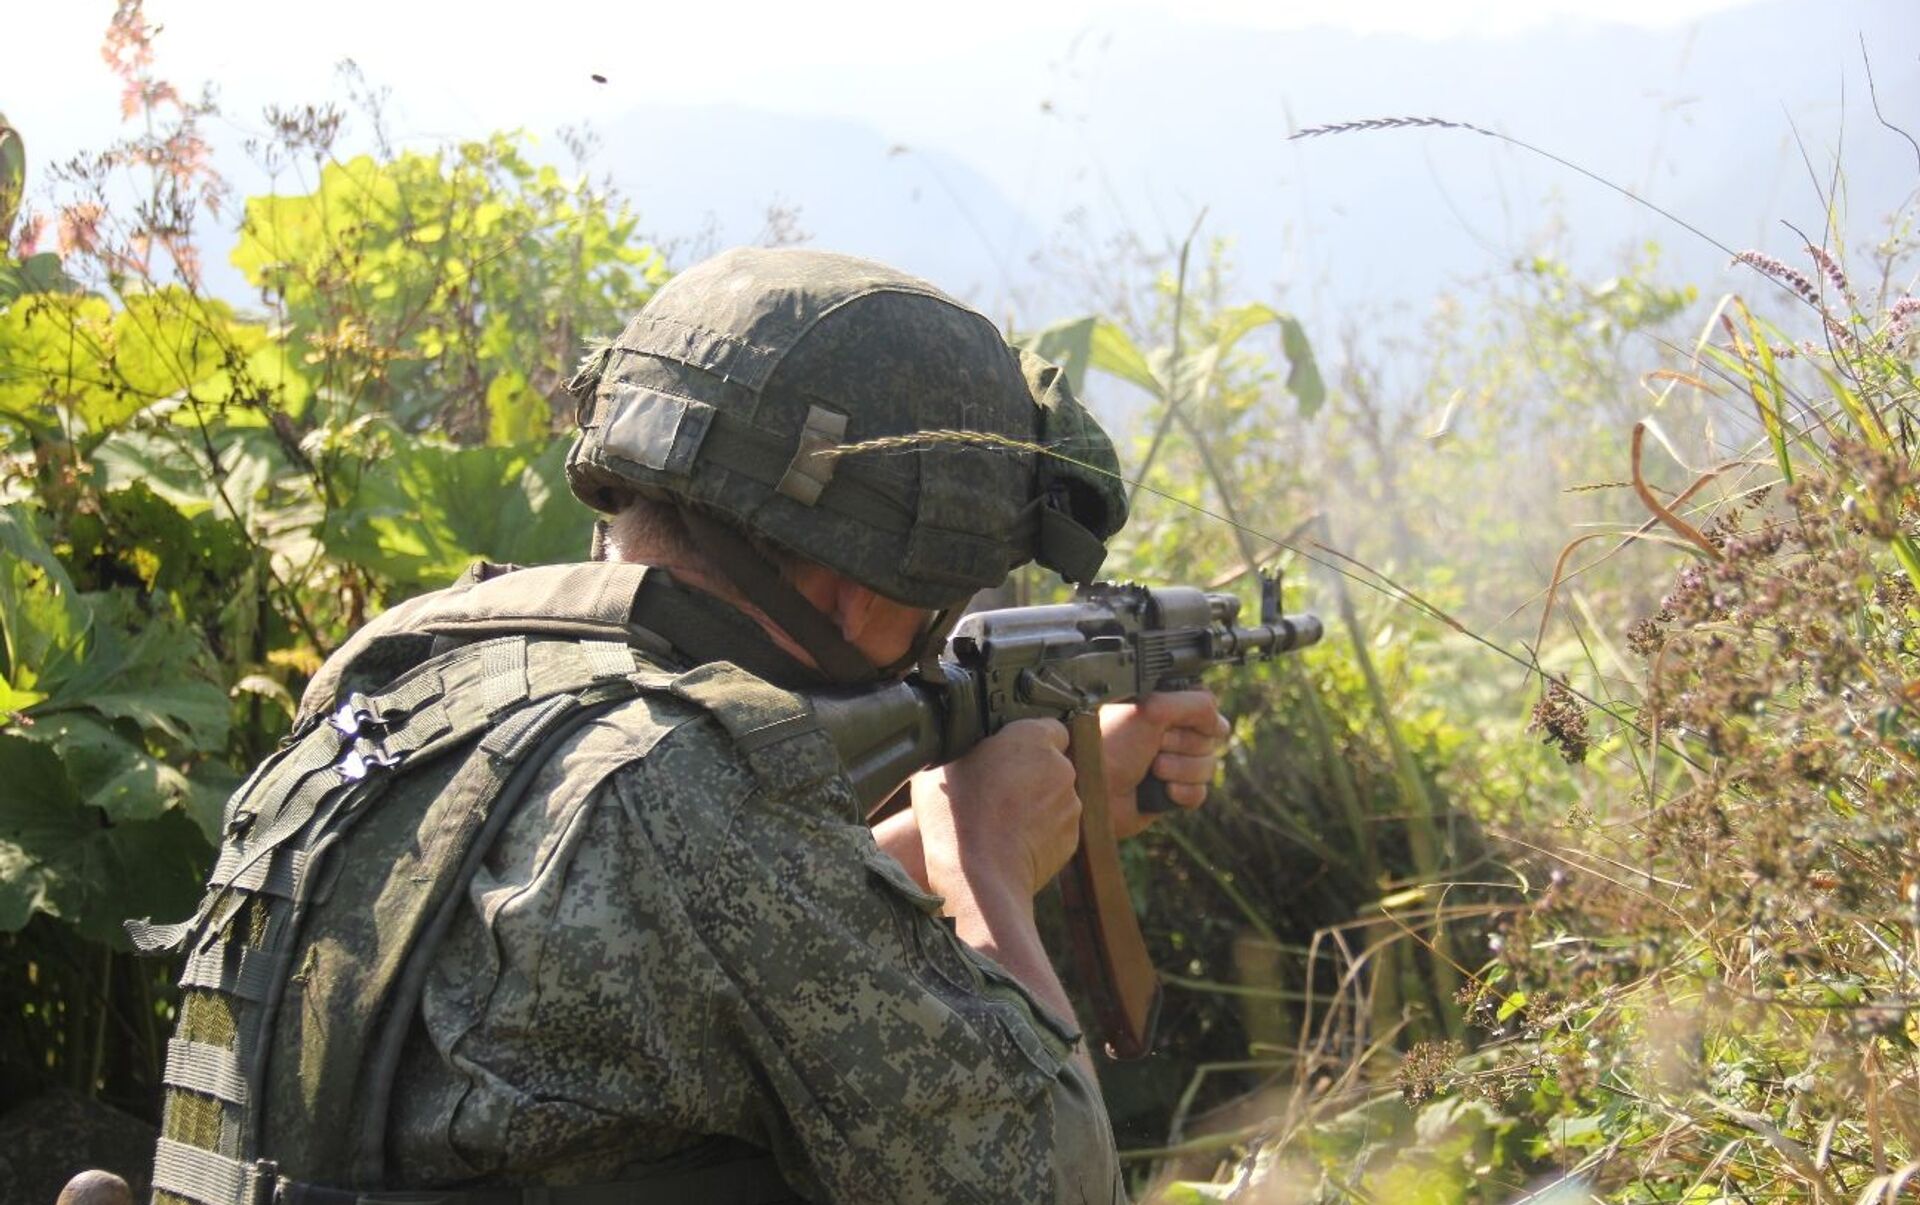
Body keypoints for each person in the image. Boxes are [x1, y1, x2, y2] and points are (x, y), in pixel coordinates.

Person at [141, 248, 1227, 1205]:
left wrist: (945, 847)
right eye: (946, 594)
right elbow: (1051, 1178)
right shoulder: (687, 786)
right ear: (855, 586)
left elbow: (662, 941)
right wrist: (984, 862)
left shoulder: (403, 671)